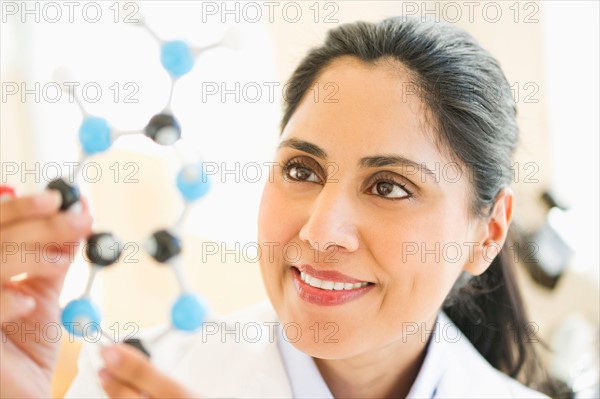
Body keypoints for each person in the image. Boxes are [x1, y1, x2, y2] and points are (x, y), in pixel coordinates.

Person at [1, 17, 558, 398]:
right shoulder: (132, 376)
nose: (320, 231)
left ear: (487, 234)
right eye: (302, 171)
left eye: (388, 187)